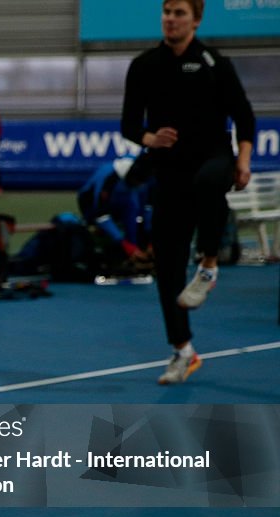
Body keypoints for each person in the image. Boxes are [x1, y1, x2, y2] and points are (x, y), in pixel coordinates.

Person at [121, 0, 255, 385]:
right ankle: (183, 351)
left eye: (179, 12)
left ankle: (209, 265)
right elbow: (129, 125)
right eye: (166, 12)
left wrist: (243, 161)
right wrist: (151, 137)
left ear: (195, 20)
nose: (170, 19)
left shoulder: (215, 63)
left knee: (210, 182)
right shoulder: (144, 65)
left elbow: (245, 118)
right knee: (167, 270)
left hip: (213, 158)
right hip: (169, 174)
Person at [76, 156, 152, 260]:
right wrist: (124, 244)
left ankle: (135, 251)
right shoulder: (109, 178)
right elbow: (101, 214)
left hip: (117, 206)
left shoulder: (140, 177)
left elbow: (138, 209)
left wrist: (147, 239)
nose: (139, 186)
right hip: (92, 207)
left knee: (132, 212)